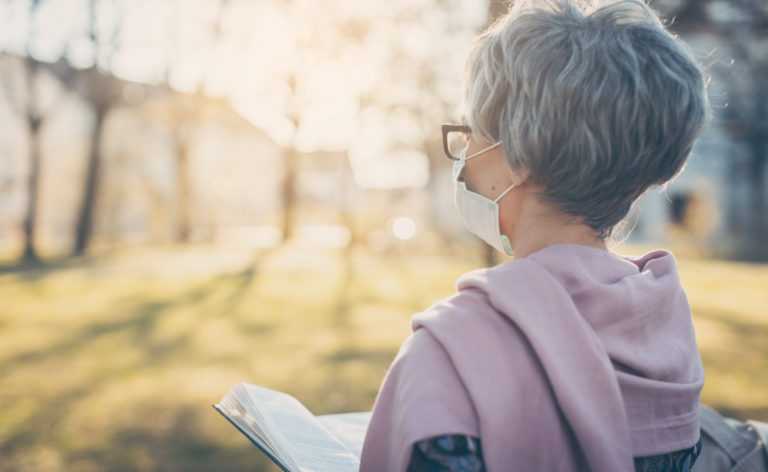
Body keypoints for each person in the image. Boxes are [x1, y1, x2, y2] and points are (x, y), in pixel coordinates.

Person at [358, 0, 719, 470]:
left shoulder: (448, 356)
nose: (464, 151)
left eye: (472, 132)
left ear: (518, 155)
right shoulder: (665, 328)